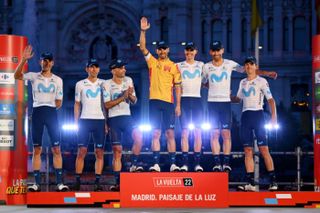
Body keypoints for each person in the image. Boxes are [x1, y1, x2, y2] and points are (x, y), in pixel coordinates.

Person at [202, 41, 277, 172]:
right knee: (216, 135)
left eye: (218, 50)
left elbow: (248, 70)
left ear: (222, 50)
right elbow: (203, 83)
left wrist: (267, 73)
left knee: (228, 134)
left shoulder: (231, 64)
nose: (216, 53)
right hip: (215, 103)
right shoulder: (207, 67)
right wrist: (216, 89)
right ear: (210, 52)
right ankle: (218, 165)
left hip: (230, 105)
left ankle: (226, 164)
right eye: (213, 50)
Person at [14, 45, 69, 192]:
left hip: (51, 113)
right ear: (40, 62)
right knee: (37, 149)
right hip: (37, 113)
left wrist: (49, 105)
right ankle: (36, 183)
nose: (46, 62)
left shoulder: (58, 80)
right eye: (44, 60)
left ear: (52, 63)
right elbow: (16, 76)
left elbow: (59, 102)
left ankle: (59, 183)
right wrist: (23, 60)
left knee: (56, 149)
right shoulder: (33, 76)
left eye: (48, 60)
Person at [139, 17, 182, 172]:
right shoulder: (152, 62)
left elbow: (178, 88)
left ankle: (173, 164)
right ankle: (155, 164)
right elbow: (142, 47)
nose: (162, 51)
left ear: (168, 50)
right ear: (157, 51)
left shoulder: (174, 66)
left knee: (170, 133)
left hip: (169, 103)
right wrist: (143, 31)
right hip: (154, 102)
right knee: (155, 132)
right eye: (160, 49)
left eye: (165, 49)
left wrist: (178, 105)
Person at [232, 56, 278, 191]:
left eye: (251, 64)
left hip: (258, 115)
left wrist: (274, 117)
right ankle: (250, 183)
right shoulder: (242, 82)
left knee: (264, 150)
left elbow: (271, 100)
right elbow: (237, 100)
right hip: (245, 116)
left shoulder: (262, 81)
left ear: (255, 66)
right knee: (247, 151)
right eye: (246, 64)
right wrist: (228, 97)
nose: (248, 67)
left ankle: (273, 181)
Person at [103, 59, 143, 191]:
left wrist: (129, 95)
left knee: (139, 137)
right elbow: (107, 105)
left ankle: (133, 165)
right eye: (121, 68)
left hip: (127, 117)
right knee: (117, 152)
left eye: (124, 67)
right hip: (114, 119)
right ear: (113, 70)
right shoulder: (106, 84)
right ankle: (117, 182)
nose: (124, 70)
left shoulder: (129, 80)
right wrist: (122, 96)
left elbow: (134, 101)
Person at [73, 58, 106, 192]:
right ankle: (77, 180)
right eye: (91, 67)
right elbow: (77, 104)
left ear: (99, 69)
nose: (94, 69)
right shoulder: (80, 84)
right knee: (82, 151)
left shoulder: (104, 83)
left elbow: (106, 105)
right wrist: (76, 123)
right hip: (84, 120)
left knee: (99, 152)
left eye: (96, 67)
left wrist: (107, 122)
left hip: (100, 120)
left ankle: (97, 182)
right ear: (87, 69)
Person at [176, 42, 204, 172]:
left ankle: (197, 164)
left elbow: (206, 82)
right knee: (185, 133)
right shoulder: (178, 66)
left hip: (197, 100)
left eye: (191, 51)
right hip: (184, 100)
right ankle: (185, 164)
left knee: (198, 132)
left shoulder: (201, 65)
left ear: (195, 52)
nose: (189, 53)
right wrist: (178, 105)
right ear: (184, 52)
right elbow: (174, 84)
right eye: (187, 51)